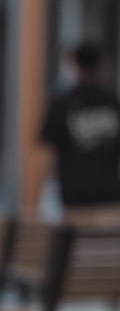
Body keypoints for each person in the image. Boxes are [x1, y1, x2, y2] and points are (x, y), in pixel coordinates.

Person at [40, 41, 120, 222]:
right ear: (102, 64)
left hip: (73, 191)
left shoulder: (62, 104)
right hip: (109, 189)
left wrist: (44, 189)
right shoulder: (113, 102)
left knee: (75, 236)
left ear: (75, 65)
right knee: (108, 238)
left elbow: (46, 151)